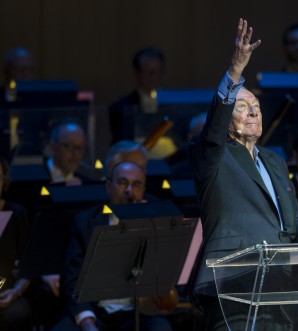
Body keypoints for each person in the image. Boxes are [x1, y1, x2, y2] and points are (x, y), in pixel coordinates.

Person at [189, 18, 298, 330]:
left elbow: (295, 217)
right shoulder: (214, 153)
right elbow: (215, 124)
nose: (253, 111)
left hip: (279, 283)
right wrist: (235, 71)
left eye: (257, 106)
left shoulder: (273, 159)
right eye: (242, 106)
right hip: (233, 278)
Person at [52, 161, 173, 331]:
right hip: (94, 311)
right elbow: (73, 280)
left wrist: (146, 226)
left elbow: (166, 273)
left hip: (139, 311)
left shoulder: (156, 224)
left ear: (143, 191)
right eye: (122, 183)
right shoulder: (85, 222)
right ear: (108, 186)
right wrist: (87, 323)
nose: (129, 190)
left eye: (136, 185)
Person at [0, 156, 33, 331]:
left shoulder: (17, 213)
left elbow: (29, 265)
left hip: (8, 289)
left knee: (18, 313)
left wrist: (16, 291)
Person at [109, 48, 166, 144]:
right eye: (149, 73)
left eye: (158, 72)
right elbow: (120, 144)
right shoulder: (120, 108)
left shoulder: (174, 105)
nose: (154, 77)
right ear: (137, 73)